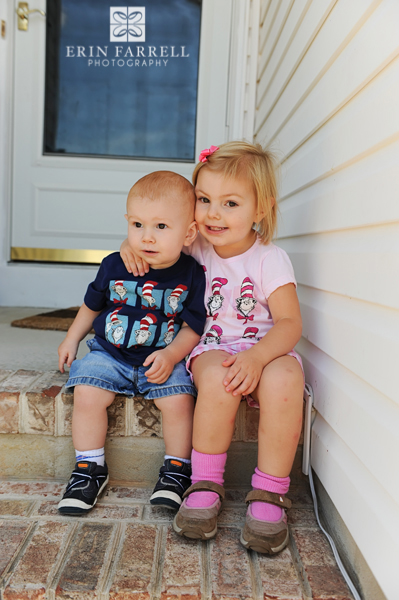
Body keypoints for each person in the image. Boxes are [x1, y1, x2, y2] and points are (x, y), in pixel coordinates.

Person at [121, 142, 304, 555]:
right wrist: (129, 246)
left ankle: (269, 493)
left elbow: (290, 323)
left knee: (288, 378)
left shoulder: (269, 259)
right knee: (219, 380)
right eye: (203, 200)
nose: (213, 214)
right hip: (212, 346)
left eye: (230, 203)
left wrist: (259, 357)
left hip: (264, 348)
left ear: (261, 209)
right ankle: (206, 485)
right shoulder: (194, 246)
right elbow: (153, 239)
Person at [57, 171, 206, 515]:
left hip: (162, 359)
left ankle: (176, 470)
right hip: (109, 353)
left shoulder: (192, 274)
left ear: (188, 233)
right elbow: (93, 304)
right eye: (137, 225)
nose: (147, 237)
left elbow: (193, 326)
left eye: (161, 227)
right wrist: (72, 337)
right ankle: (89, 468)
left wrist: (171, 355)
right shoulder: (114, 264)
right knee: (87, 392)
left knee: (180, 401)